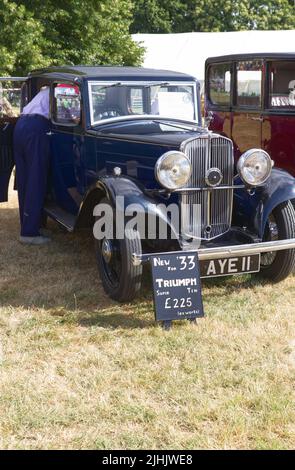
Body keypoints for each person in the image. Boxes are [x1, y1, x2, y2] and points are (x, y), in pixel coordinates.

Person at [13, 87, 51, 245]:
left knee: (24, 179)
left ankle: (28, 224)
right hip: (36, 128)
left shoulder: (44, 92)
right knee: (36, 178)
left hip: (21, 124)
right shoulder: (63, 90)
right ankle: (29, 232)